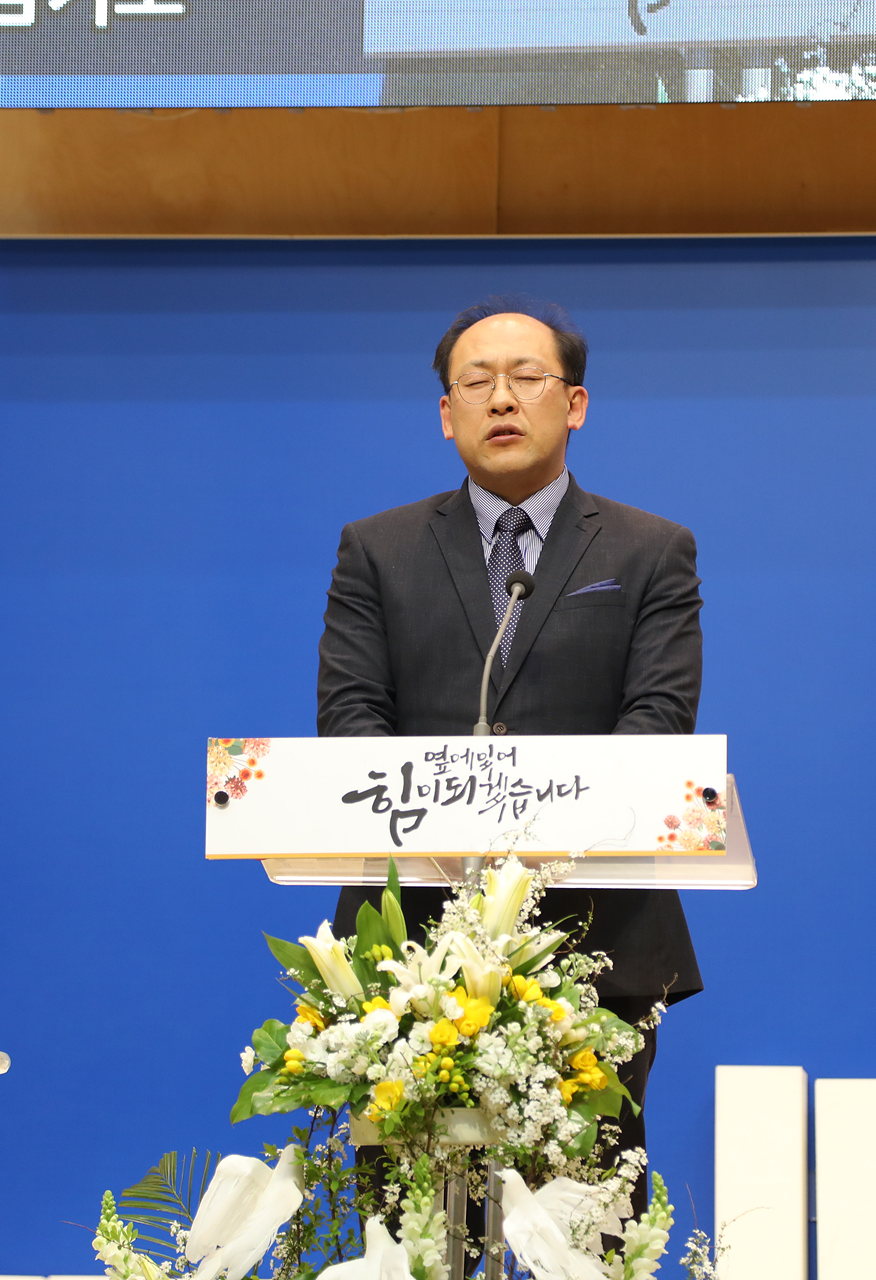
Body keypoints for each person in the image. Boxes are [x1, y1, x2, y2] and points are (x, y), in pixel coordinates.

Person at [317, 294, 704, 1203]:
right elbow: (351, 717)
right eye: (476, 382)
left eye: (527, 378)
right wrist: (448, 843)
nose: (501, 398)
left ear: (574, 403)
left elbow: (657, 720)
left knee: (587, 1228)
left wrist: (538, 845)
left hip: (594, 937)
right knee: (412, 1229)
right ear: (445, 413)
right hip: (411, 944)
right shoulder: (377, 549)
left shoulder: (651, 551)